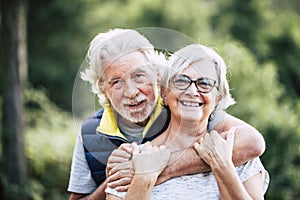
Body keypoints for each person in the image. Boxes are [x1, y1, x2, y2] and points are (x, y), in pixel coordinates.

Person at [68, 28, 266, 200]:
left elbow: (253, 142)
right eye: (116, 82)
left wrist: (162, 168)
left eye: (139, 76)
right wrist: (120, 178)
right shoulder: (94, 135)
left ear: (158, 79)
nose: (131, 92)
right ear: (103, 89)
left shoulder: (209, 127)